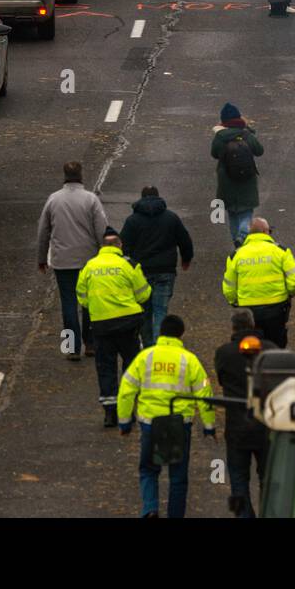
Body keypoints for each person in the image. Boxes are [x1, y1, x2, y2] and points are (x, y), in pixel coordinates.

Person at [117, 314, 216, 518]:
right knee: (178, 477)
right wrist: (209, 426)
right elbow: (205, 393)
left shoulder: (145, 357)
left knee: (148, 470)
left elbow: (126, 389)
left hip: (150, 423)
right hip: (179, 424)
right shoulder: (189, 360)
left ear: (160, 332)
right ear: (181, 334)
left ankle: (150, 508)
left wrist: (125, 422)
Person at [77, 229, 151, 426]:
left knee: (106, 368)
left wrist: (98, 306)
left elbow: (82, 297)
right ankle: (127, 410)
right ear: (120, 246)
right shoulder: (130, 264)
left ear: (102, 247)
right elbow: (143, 294)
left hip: (101, 326)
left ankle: (110, 413)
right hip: (128, 324)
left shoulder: (89, 266)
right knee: (130, 366)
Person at [37, 161, 109, 361]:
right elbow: (101, 230)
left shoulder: (53, 200)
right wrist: (105, 253)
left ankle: (70, 347)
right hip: (88, 260)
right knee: (89, 303)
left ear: (64, 175)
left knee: (68, 304)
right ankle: (91, 343)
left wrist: (42, 258)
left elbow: (43, 232)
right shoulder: (91, 200)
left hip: (62, 261)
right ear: (81, 175)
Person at [213, 309, 276, 517]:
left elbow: (222, 379)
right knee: (268, 477)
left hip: (237, 426)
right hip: (266, 424)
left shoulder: (224, 353)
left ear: (233, 327)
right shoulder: (271, 350)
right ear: (253, 324)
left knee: (238, 478)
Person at [119, 185, 194, 348]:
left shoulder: (132, 221)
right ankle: (161, 345)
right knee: (161, 309)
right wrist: (186, 259)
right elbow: (185, 240)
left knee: (144, 312)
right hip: (165, 271)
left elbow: (123, 247)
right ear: (159, 198)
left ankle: (148, 346)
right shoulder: (171, 218)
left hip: (141, 272)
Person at [222, 217, 295, 347]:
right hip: (276, 308)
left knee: (249, 348)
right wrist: (289, 294)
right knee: (276, 346)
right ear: (265, 232)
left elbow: (229, 286)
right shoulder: (280, 251)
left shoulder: (236, 255)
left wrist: (234, 302)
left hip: (248, 312)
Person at [212, 103, 264, 248]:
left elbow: (214, 153)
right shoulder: (246, 134)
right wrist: (248, 129)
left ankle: (238, 244)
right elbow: (259, 150)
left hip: (226, 182)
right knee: (246, 212)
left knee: (233, 214)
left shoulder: (220, 136)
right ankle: (242, 235)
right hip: (247, 182)